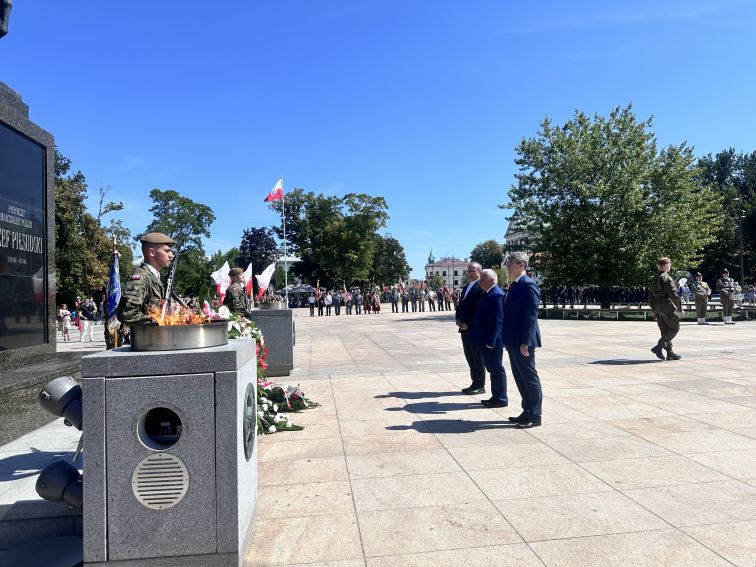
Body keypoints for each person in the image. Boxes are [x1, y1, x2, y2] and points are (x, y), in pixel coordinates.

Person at [502, 252, 543, 428]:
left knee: (529, 377)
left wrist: (525, 342)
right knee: (520, 377)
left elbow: (531, 315)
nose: (507, 266)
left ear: (521, 264)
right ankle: (526, 410)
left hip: (522, 341)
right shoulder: (515, 285)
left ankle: (535, 415)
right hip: (513, 340)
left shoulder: (528, 285)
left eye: (510, 262)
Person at [117, 232, 176, 326]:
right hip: (145, 338)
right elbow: (127, 313)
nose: (171, 255)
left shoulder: (154, 277)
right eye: (167, 251)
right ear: (152, 252)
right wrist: (157, 322)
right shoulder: (141, 277)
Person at [470, 269, 507, 408]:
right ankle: (496, 396)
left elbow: (497, 320)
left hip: (492, 341)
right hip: (486, 339)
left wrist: (491, 341)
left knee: (496, 369)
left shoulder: (497, 294)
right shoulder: (489, 293)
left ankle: (501, 398)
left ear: (490, 280)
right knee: (492, 369)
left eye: (482, 279)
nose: (480, 282)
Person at [456, 261, 486, 395]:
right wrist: (459, 319)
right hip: (464, 328)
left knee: (477, 358)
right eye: (469, 270)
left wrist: (469, 323)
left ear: (480, 272)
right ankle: (474, 382)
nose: (470, 273)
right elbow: (460, 305)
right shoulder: (467, 286)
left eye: (473, 270)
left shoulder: (482, 286)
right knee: (470, 357)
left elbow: (479, 309)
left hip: (474, 329)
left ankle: (480, 385)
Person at [648, 257, 682, 360]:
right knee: (675, 327)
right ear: (664, 265)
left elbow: (650, 296)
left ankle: (669, 353)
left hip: (657, 306)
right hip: (666, 306)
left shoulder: (654, 278)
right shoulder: (666, 278)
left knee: (665, 330)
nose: (670, 266)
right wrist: (679, 308)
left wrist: (653, 309)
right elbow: (673, 295)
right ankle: (658, 347)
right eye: (669, 264)